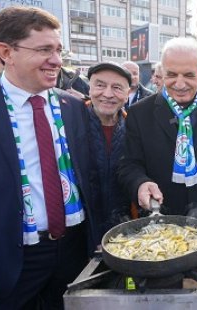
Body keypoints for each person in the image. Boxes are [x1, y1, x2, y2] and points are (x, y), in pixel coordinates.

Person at [0, 6, 95, 309]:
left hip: (74, 254)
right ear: (4, 52)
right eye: (44, 50)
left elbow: (88, 180)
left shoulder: (73, 108)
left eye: (59, 50)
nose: (57, 61)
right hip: (6, 264)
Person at [117, 37, 197, 231]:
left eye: (188, 75)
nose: (179, 83)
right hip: (160, 223)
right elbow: (129, 165)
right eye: (171, 74)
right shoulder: (139, 113)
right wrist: (140, 183)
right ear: (161, 73)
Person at [85, 62, 133, 243]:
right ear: (89, 89)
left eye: (117, 88)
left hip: (125, 232)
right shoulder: (70, 123)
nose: (107, 94)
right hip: (78, 234)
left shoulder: (135, 128)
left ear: (127, 95)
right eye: (100, 85)